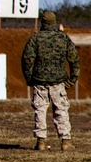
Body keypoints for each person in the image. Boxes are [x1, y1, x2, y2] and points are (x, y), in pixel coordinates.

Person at [22, 10, 80, 151]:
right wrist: (72, 80)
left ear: (42, 22)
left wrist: (29, 78)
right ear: (54, 22)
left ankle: (41, 141)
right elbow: (74, 60)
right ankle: (65, 141)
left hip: (39, 81)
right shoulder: (63, 39)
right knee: (61, 110)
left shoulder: (35, 39)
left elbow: (27, 60)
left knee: (40, 111)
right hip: (58, 81)